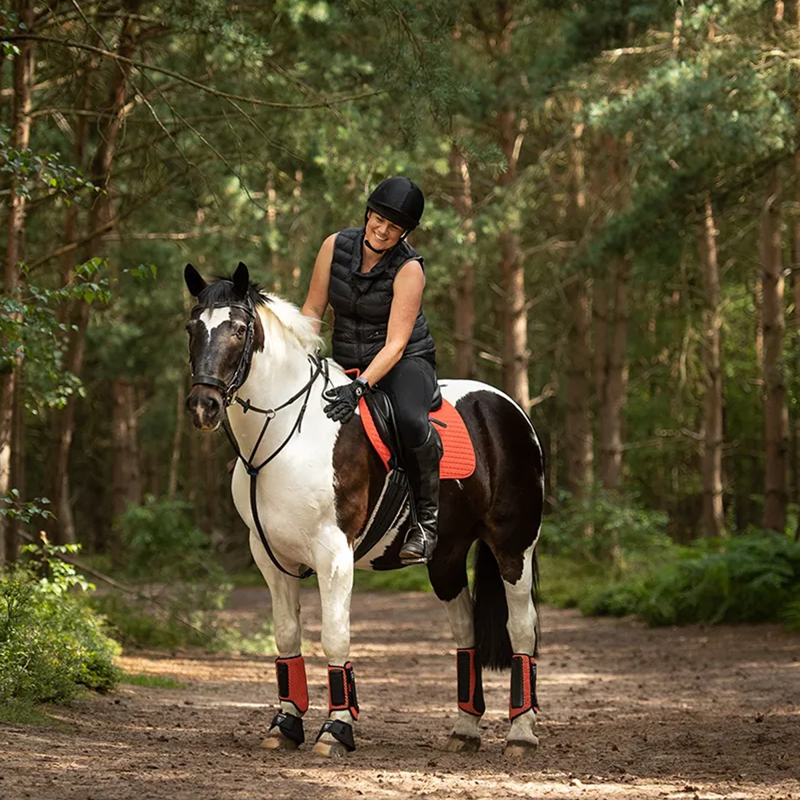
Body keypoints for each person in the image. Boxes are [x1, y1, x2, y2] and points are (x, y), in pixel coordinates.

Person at [301, 176, 441, 564]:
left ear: (404, 233)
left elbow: (395, 344)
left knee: (411, 420)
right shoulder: (334, 246)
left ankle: (426, 524)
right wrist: (302, 353)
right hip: (346, 359)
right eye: (378, 219)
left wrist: (360, 386)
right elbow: (313, 309)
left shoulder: (409, 269)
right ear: (368, 213)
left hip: (404, 362)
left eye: (394, 227)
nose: (382, 230)